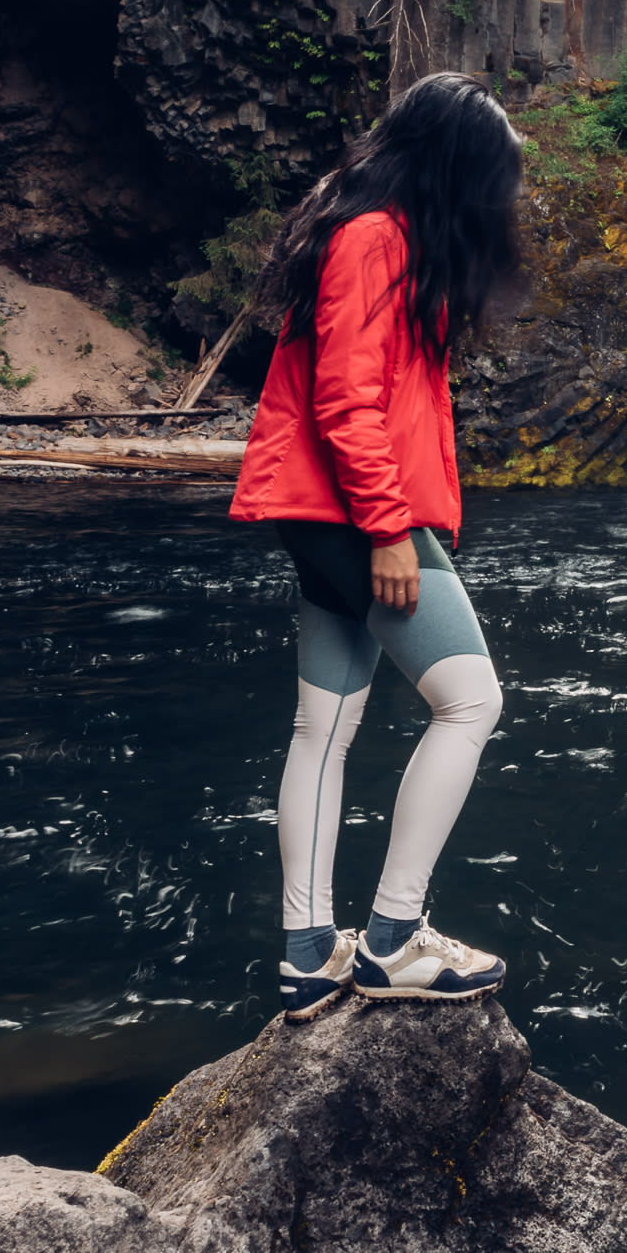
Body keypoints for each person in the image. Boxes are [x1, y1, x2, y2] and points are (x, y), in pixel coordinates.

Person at [229, 72, 523, 1019]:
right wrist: (393, 530)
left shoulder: (377, 235)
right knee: (472, 701)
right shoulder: (374, 242)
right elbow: (346, 403)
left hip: (319, 513)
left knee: (325, 727)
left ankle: (309, 953)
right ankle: (393, 939)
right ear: (449, 165)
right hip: (354, 516)